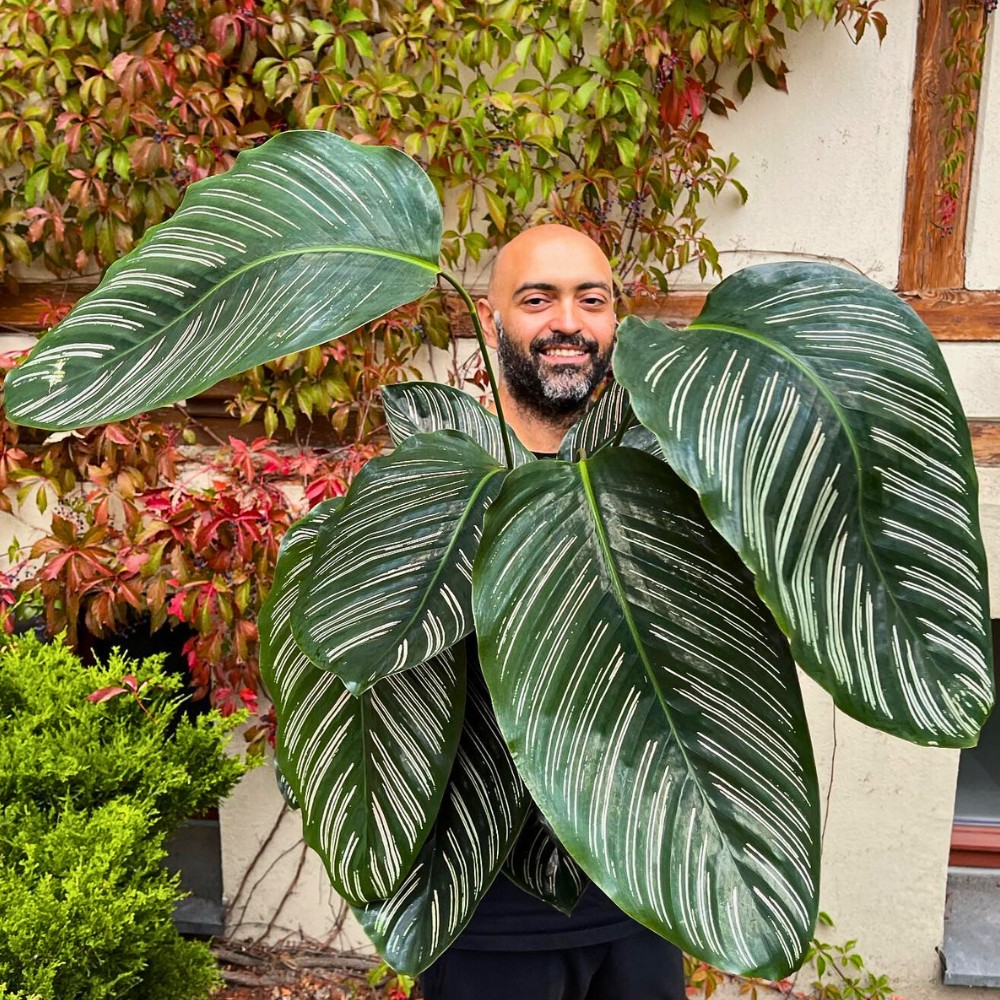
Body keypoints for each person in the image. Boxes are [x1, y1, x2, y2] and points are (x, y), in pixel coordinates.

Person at [418, 225, 687, 1000]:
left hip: (643, 897)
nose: (567, 321)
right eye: (537, 300)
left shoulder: (667, 474)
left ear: (613, 321)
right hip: (486, 915)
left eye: (591, 300)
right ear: (491, 315)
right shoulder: (437, 479)